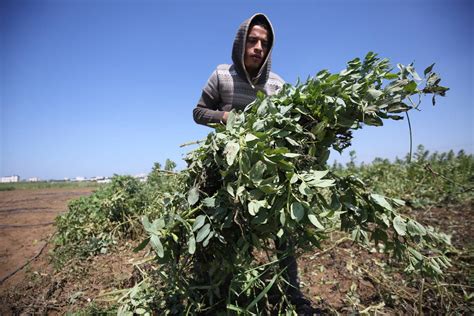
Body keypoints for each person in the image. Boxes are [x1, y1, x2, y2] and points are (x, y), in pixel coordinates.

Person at [192, 13, 316, 314]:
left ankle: (292, 295)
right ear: (241, 43)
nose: (259, 47)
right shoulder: (221, 75)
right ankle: (216, 293)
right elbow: (198, 112)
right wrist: (225, 117)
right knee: (217, 230)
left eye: (264, 42)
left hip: (267, 171)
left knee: (284, 232)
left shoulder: (277, 85)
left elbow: (293, 124)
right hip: (225, 168)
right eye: (253, 40)